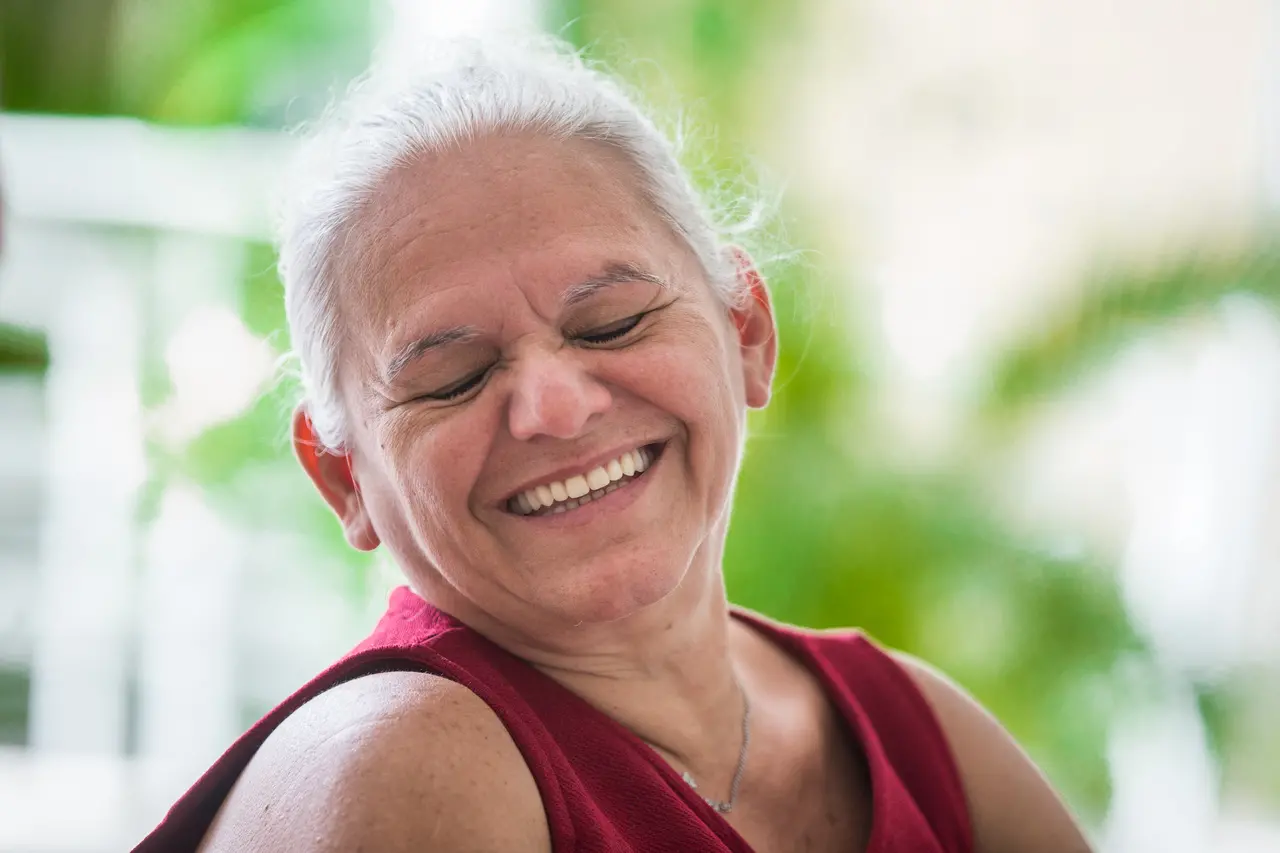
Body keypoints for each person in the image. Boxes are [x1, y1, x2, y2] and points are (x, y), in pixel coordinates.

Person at [135, 36, 1093, 853]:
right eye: (453, 378)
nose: (551, 406)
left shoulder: (905, 722)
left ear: (746, 331)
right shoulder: (403, 764)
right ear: (344, 478)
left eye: (612, 323)